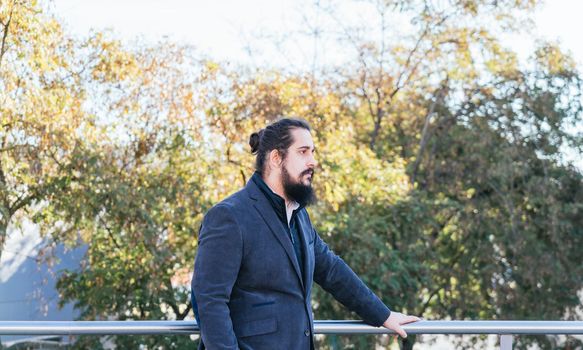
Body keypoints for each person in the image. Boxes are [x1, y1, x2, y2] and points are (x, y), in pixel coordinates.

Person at [191, 118, 419, 349]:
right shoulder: (229, 216)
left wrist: (383, 315)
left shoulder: (299, 215)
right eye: (303, 152)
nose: (313, 162)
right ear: (276, 158)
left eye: (313, 152)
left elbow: (331, 270)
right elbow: (209, 301)